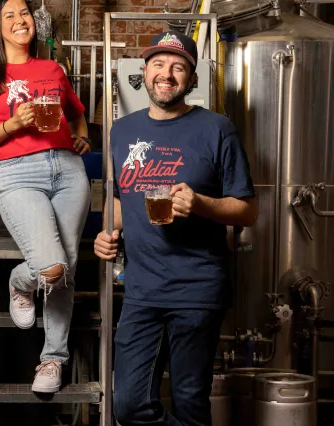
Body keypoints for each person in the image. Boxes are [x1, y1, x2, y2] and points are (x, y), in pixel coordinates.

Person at [94, 31, 258, 425]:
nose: (166, 74)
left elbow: (248, 210)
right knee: (129, 405)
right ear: (145, 71)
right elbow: (119, 199)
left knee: (189, 399)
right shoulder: (122, 131)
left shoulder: (218, 129)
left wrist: (199, 203)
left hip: (197, 289)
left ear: (191, 79)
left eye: (178, 67)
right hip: (142, 290)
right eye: (158, 64)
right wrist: (106, 233)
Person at [0, 0, 91, 393]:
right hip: (18, 173)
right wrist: (11, 123)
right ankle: (21, 283)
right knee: (54, 268)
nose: (20, 21)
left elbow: (75, 112)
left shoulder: (52, 69)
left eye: (24, 13)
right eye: (10, 15)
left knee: (66, 269)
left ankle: (52, 360)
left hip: (68, 171)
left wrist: (83, 135)